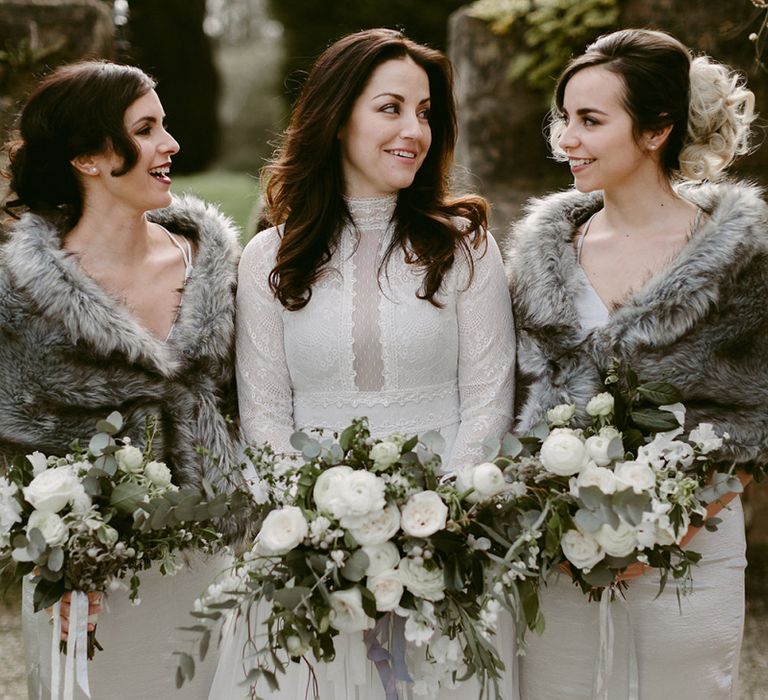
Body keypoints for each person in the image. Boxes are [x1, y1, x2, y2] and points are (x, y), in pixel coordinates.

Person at [218, 27, 516, 699]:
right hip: (308, 557)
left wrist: (431, 528)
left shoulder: (465, 247)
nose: (415, 128)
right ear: (337, 114)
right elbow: (262, 415)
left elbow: (490, 396)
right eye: (391, 107)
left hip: (446, 546)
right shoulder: (269, 258)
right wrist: (320, 539)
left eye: (426, 111)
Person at [505, 28, 767, 699]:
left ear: (655, 131)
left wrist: (666, 525)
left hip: (694, 553)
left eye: (591, 121)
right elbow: (517, 395)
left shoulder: (741, 255)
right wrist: (553, 506)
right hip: (560, 554)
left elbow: (753, 412)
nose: (567, 139)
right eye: (563, 118)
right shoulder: (540, 254)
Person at [0, 60, 243, 698]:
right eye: (146, 129)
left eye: (164, 125)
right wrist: (56, 543)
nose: (170, 145)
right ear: (88, 157)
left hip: (216, 566)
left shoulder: (217, 265)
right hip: (85, 587)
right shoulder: (17, 291)